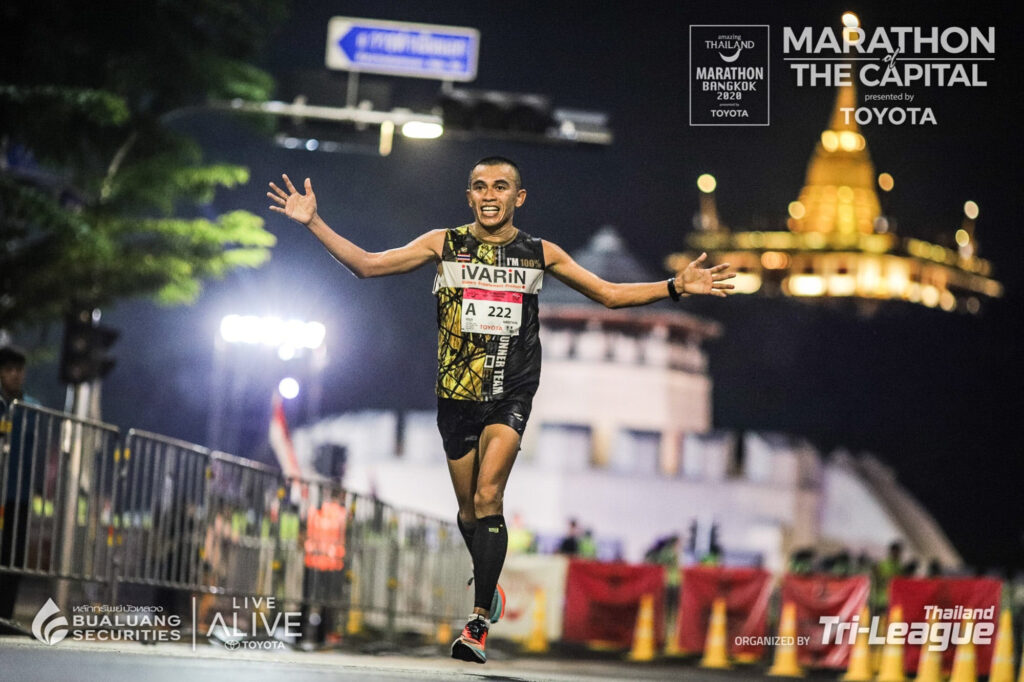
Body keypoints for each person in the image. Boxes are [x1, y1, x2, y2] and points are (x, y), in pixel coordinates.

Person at [266, 157, 735, 663]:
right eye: (481, 186)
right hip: (456, 394)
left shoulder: (540, 253)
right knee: (469, 511)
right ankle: (489, 585)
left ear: (519, 197)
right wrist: (314, 222)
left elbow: (609, 294)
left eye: (501, 186)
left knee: (490, 495)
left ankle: (476, 623)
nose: (490, 195)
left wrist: (674, 287)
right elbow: (367, 265)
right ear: (469, 196)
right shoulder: (443, 244)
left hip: (511, 392)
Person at [0, 345, 41, 625]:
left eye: (19, 370)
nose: (15, 375)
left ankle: (5, 615)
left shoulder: (32, 409)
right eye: (9, 369)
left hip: (20, 494)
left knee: (13, 558)